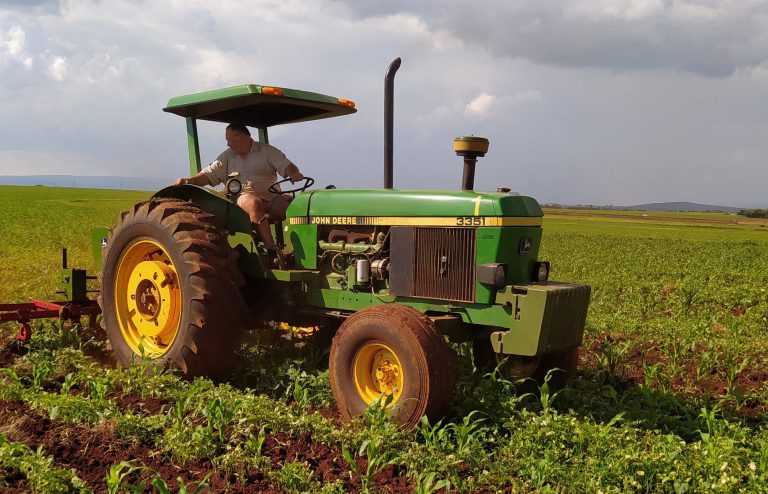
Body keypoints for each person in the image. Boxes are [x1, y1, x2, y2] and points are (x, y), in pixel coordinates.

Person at [174, 123, 304, 250]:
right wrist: (188, 180)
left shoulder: (267, 151)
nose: (228, 144)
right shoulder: (227, 156)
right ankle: (272, 249)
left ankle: (302, 251)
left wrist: (293, 173)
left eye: (229, 140)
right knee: (255, 204)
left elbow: (287, 165)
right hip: (243, 197)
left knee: (296, 210)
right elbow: (208, 175)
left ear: (240, 137)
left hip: (271, 197)